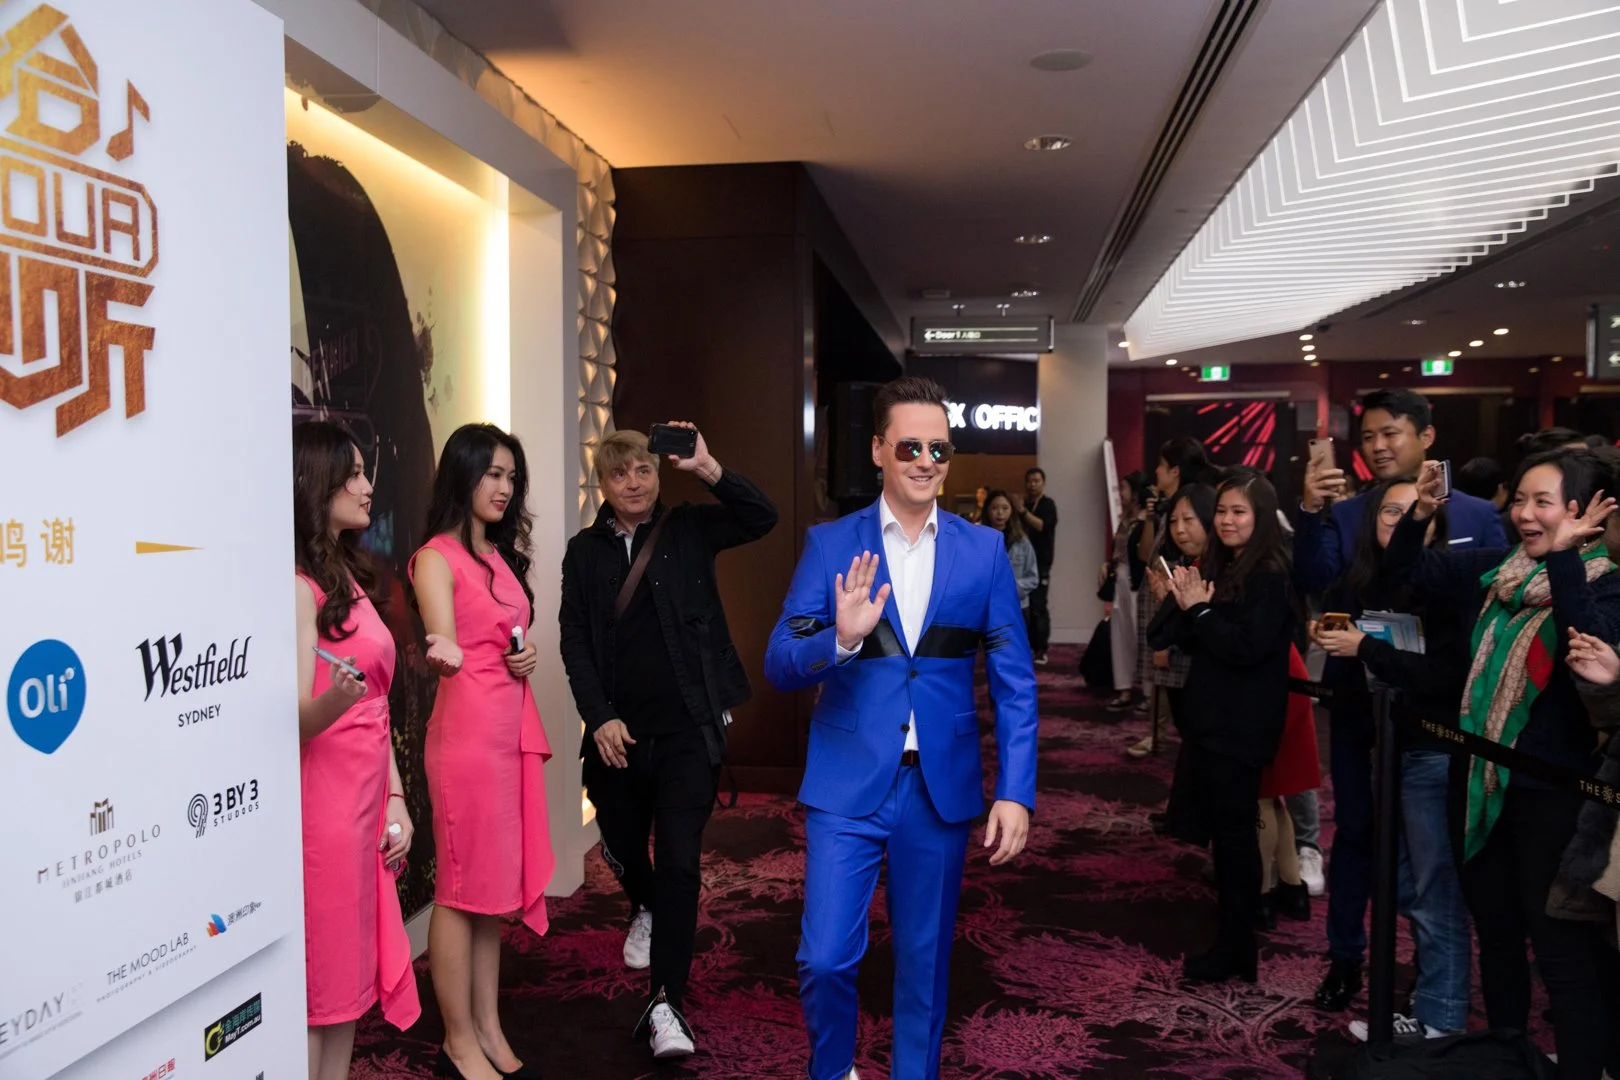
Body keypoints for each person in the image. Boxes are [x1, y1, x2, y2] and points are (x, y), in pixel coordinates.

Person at [765, 375, 1037, 1080]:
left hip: (937, 790)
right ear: (880, 450)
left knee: (925, 961)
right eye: (910, 446)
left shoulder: (983, 551)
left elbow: (1013, 681)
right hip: (846, 783)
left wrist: (1017, 790)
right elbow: (781, 659)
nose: (926, 460)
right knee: (824, 957)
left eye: (939, 448)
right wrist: (842, 641)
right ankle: (833, 1072)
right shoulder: (831, 545)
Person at [1380, 450, 1620, 1079]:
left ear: (1581, 511)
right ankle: (1510, 1059)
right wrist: (1420, 515)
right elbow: (1406, 573)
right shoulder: (1500, 572)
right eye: (1519, 501)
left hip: (1552, 798)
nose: (1524, 515)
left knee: (1563, 955)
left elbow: (1584, 648)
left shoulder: (1607, 583)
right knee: (1498, 940)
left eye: (1542, 502)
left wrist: (1567, 557)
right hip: (1482, 784)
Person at [558, 424, 777, 1058]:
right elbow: (574, 639)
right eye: (620, 473)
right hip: (616, 736)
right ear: (602, 484)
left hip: (689, 730)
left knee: (681, 861)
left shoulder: (687, 529)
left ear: (659, 476)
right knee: (622, 846)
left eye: (645, 471)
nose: (634, 482)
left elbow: (762, 516)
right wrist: (597, 716)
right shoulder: (583, 552)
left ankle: (666, 1006)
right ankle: (643, 904)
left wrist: (708, 465)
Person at [1295, 388, 1506, 1012]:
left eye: (1392, 433)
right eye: (1369, 438)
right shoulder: (1352, 508)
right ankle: (1346, 957)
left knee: (1433, 851)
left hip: (1439, 714)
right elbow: (1316, 579)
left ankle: (1433, 975)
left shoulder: (1473, 515)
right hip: (1361, 702)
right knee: (1357, 830)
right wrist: (1310, 508)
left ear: (1427, 437)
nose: (1380, 447)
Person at [409, 423, 551, 1080]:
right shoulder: (435, 556)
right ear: (463, 474)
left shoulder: (496, 556)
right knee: (461, 890)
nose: (503, 487)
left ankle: (489, 1026)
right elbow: (444, 639)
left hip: (508, 731)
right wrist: (446, 652)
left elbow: (507, 630)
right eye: (492, 473)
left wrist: (523, 655)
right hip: (465, 738)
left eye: (510, 476)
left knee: (493, 892)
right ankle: (458, 1039)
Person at [1313, 479, 1474, 1041]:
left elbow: (1448, 678)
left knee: (1435, 892)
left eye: (1414, 513)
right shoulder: (1362, 579)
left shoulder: (1450, 584)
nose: (1400, 522)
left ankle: (1440, 1016)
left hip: (1434, 750)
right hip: (1387, 748)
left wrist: (1368, 649)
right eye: (1389, 513)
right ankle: (1430, 1003)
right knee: (1404, 884)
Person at [293, 421, 420, 1080]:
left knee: (345, 994)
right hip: (325, 808)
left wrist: (396, 798)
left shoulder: (346, 571)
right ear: (317, 485)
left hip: (367, 798)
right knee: (322, 992)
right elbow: (292, 719)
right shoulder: (297, 586)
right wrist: (331, 703)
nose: (368, 487)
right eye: (353, 475)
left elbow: (371, 700)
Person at [1148, 472, 1299, 983]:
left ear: (1259, 518)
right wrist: (1180, 597)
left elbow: (1245, 646)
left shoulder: (1271, 574)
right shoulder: (1221, 566)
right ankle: (1232, 941)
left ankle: (1237, 948)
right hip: (1211, 720)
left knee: (1235, 841)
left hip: (1243, 725)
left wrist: (1201, 610)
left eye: (1240, 512)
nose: (1228, 521)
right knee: (1225, 839)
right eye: (1224, 512)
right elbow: (1162, 634)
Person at [1128, 437, 1213, 751]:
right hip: (1168, 616)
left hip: (1178, 622)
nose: (1180, 529)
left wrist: (1167, 636)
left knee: (1186, 705)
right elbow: (1148, 556)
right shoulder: (1168, 508)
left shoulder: (1192, 508)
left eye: (1161, 466)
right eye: (1177, 522)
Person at [1105, 472, 1149, 710]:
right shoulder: (1125, 519)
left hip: (1139, 585)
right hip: (1120, 583)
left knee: (1142, 638)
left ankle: (1149, 694)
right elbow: (1118, 552)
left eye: (1124, 488)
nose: (1120, 493)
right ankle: (1123, 689)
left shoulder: (1148, 521)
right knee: (1120, 636)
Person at [1017, 466, 1058, 664]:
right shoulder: (1021, 504)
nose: (1032, 485)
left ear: (1043, 483)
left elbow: (1041, 526)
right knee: (1022, 607)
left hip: (1041, 562)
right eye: (1029, 481)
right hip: (1021, 562)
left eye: (1036, 481)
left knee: (1039, 606)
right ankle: (1024, 646)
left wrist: (1022, 511)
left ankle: (1041, 648)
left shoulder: (1048, 505)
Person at [984, 489, 1039, 607]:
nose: (1000, 513)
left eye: (1005, 508)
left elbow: (1033, 578)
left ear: (1011, 510)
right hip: (987, 605)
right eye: (994, 508)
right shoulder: (979, 540)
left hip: (1017, 605)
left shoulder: (1021, 541)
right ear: (987, 510)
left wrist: (1010, 587)